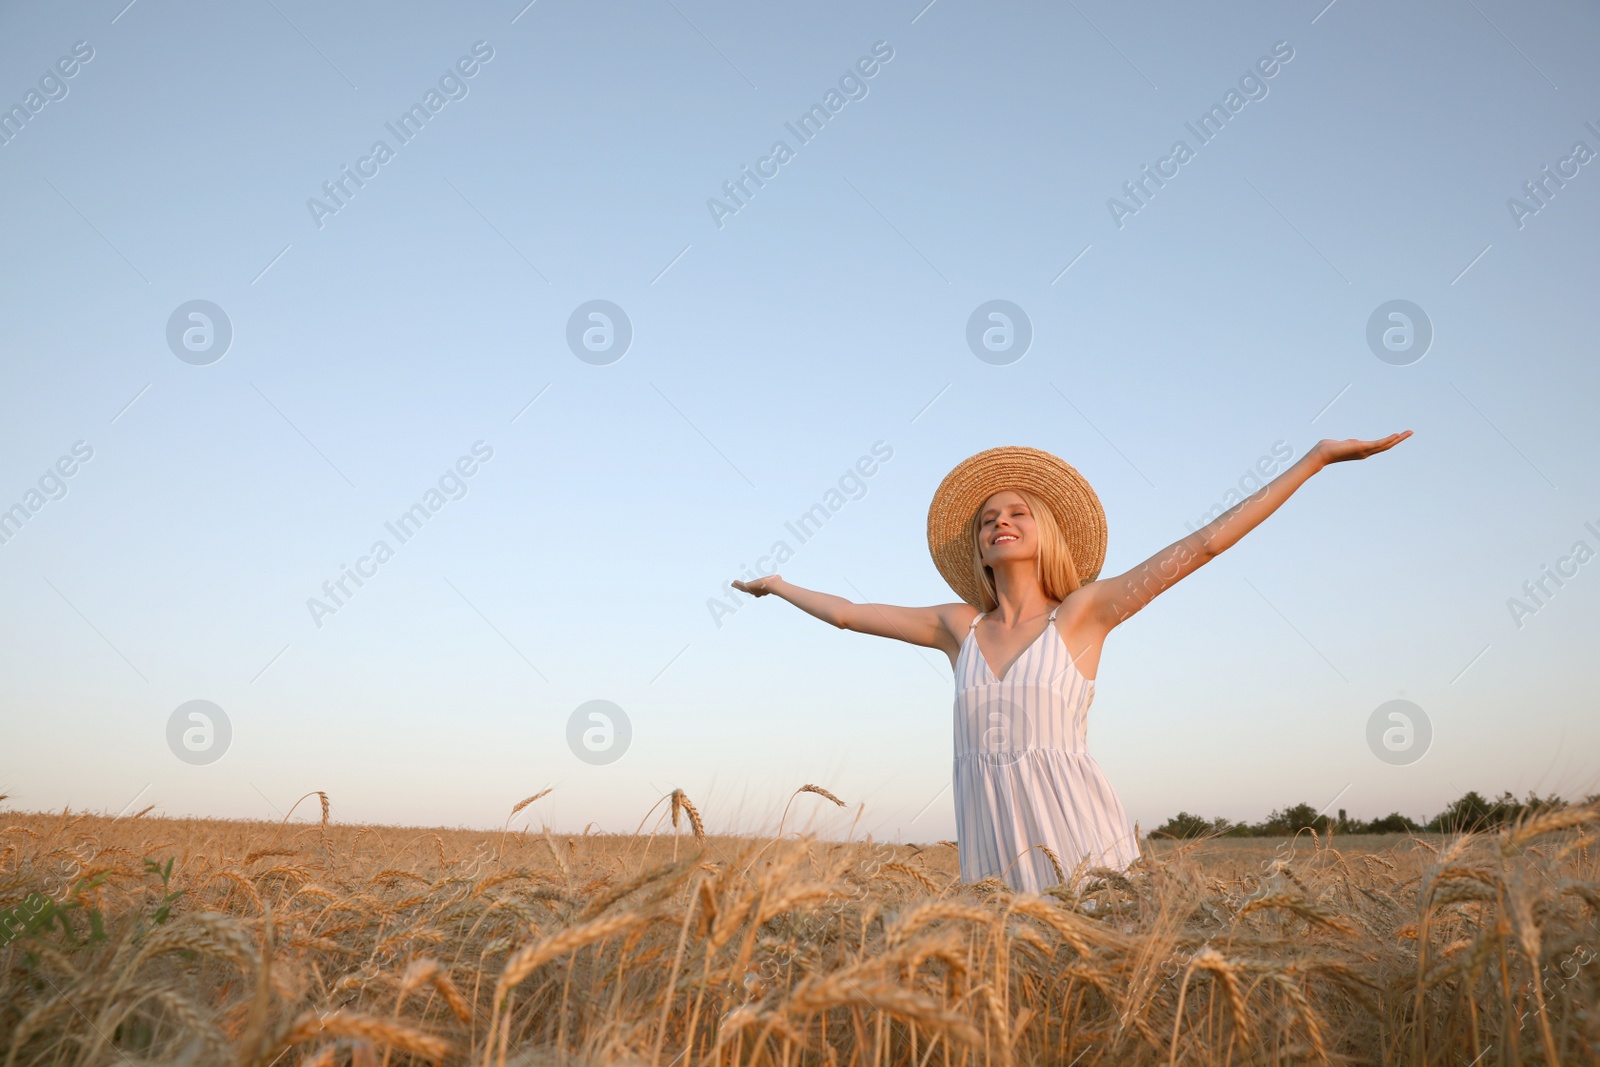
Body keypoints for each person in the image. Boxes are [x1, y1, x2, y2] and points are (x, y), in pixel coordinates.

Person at [733, 434, 1411, 893]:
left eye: (1017, 511)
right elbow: (851, 613)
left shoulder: (1083, 614)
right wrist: (782, 586)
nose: (999, 520)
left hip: (1079, 835)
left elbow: (1203, 544)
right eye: (986, 519)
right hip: (993, 836)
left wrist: (1316, 459)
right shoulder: (956, 627)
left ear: (1043, 531)